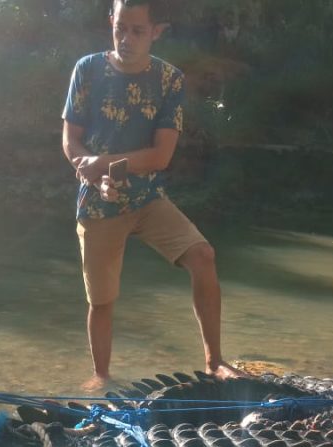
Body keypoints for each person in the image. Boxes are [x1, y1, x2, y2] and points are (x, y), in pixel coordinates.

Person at [62, 0, 242, 391]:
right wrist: (93, 174)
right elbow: (70, 140)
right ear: (111, 22)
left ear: (156, 32)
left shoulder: (169, 80)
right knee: (102, 301)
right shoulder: (87, 69)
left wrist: (101, 163)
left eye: (137, 31)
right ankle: (102, 376)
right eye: (120, 28)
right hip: (99, 203)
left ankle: (215, 361)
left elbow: (161, 156)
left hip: (148, 199)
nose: (126, 38)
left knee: (203, 255)